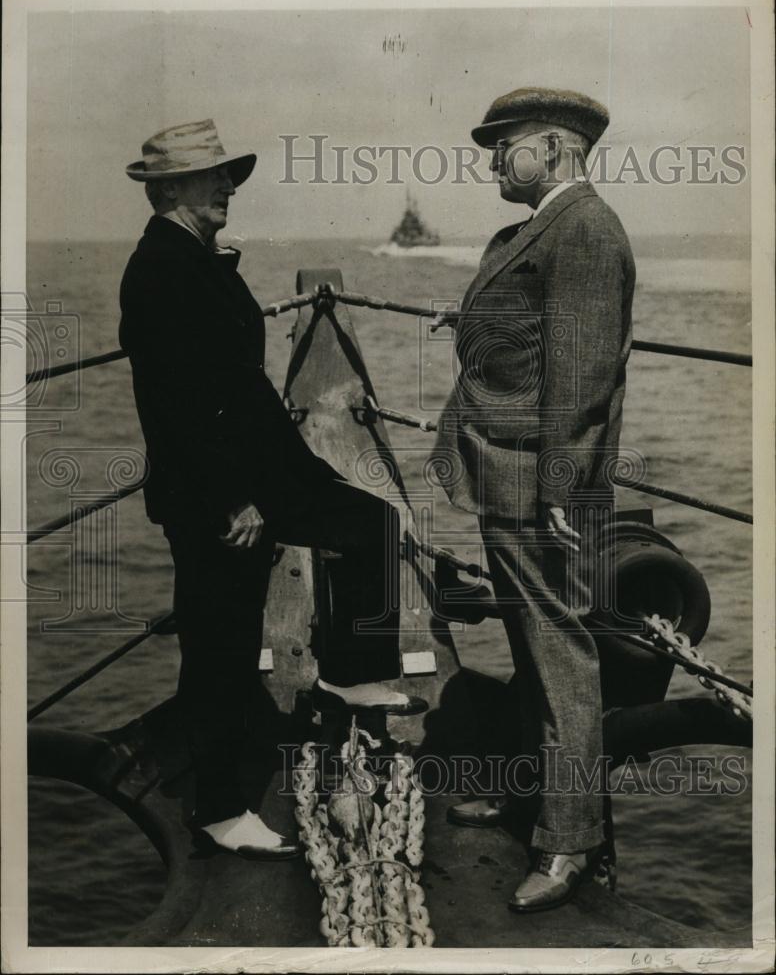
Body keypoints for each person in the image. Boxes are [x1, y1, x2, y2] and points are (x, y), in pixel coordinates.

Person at [119, 119, 425, 859]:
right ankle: (221, 811)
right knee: (220, 643)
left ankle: (348, 680)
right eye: (213, 177)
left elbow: (224, 372)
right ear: (167, 190)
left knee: (372, 524)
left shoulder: (192, 259)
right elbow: (179, 406)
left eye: (228, 175)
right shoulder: (161, 267)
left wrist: (221, 266)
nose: (229, 187)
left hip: (259, 475)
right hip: (218, 495)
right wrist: (235, 501)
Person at [432, 88, 634, 911]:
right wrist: (475, 319)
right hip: (505, 470)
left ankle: (568, 842)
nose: (490, 160)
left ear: (552, 148)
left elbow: (583, 375)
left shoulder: (583, 228)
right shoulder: (540, 227)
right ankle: (529, 799)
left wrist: (559, 487)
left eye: (502, 145)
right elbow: (542, 329)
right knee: (530, 646)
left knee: (560, 662)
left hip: (534, 480)